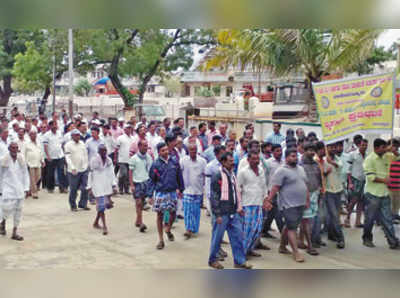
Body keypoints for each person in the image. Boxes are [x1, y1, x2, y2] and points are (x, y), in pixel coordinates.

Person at [208, 152, 252, 270]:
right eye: (230, 161)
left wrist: (239, 207)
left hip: (233, 212)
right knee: (217, 238)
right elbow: (214, 196)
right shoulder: (217, 175)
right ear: (223, 162)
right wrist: (217, 214)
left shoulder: (232, 175)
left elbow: (235, 192)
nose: (233, 163)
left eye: (233, 161)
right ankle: (213, 260)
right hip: (222, 213)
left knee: (238, 237)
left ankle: (239, 261)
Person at [264, 149, 309, 263]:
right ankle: (296, 252)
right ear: (287, 157)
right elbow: (275, 187)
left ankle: (282, 247)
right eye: (292, 156)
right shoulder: (281, 171)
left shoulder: (301, 169)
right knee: (292, 228)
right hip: (288, 204)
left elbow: (305, 185)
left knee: (289, 225)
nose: (295, 158)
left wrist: (307, 200)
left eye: (296, 156)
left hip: (301, 203)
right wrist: (269, 200)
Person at [362, 138, 400, 249]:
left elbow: (398, 157)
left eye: (385, 147)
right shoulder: (369, 159)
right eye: (383, 147)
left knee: (388, 219)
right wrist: (385, 180)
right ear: (376, 148)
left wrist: (393, 150)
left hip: (384, 193)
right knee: (370, 218)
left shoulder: (387, 156)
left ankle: (392, 241)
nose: (385, 149)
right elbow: (371, 177)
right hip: (372, 194)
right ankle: (367, 238)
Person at [148, 142, 184, 250]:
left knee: (173, 214)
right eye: (163, 150)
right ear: (159, 152)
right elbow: (151, 180)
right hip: (161, 192)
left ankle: (168, 229)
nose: (165, 152)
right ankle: (161, 240)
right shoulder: (155, 164)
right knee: (159, 216)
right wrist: (150, 195)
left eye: (166, 149)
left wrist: (181, 189)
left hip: (172, 192)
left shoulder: (174, 162)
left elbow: (179, 176)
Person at [237, 150, 269, 258]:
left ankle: (250, 249)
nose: (256, 161)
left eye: (258, 159)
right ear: (248, 160)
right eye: (254, 159)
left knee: (257, 229)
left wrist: (266, 199)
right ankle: (242, 253)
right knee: (247, 231)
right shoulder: (243, 172)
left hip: (258, 203)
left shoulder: (260, 170)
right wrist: (239, 206)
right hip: (247, 204)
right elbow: (238, 189)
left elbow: (264, 186)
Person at [0, 142, 30, 241]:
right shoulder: (4, 160)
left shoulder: (21, 159)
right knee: (6, 209)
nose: (14, 150)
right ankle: (2, 223)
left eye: (16, 148)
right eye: (12, 148)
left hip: (20, 188)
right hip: (8, 188)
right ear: (9, 149)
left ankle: (14, 232)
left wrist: (27, 188)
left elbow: (25, 173)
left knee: (18, 211)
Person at [88, 144, 117, 235]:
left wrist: (114, 185)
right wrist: (89, 187)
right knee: (101, 205)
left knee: (104, 206)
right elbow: (90, 173)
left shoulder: (109, 160)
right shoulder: (94, 160)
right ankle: (104, 226)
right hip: (96, 184)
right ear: (98, 151)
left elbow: (112, 173)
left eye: (105, 150)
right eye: (102, 151)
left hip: (106, 184)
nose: (104, 152)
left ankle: (96, 222)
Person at [180, 143, 207, 240]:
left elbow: (205, 175)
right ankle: (188, 229)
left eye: (195, 150)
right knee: (187, 210)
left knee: (196, 211)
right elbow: (179, 173)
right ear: (188, 150)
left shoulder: (202, 161)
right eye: (191, 150)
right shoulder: (183, 160)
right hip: (187, 190)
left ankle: (194, 228)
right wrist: (179, 188)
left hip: (198, 190)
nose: (193, 152)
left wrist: (204, 187)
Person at [298, 143, 321, 256]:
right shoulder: (300, 165)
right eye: (310, 150)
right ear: (305, 151)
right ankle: (310, 246)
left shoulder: (316, 164)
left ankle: (301, 241)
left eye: (313, 150)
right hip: (303, 195)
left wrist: (320, 190)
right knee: (307, 221)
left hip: (314, 193)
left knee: (306, 220)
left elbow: (319, 178)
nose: (312, 152)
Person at [324, 143, 345, 249]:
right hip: (328, 191)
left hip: (338, 190)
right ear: (326, 148)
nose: (333, 149)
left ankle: (332, 235)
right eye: (330, 147)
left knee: (334, 215)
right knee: (333, 215)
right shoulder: (321, 159)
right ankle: (340, 238)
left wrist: (331, 162)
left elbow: (338, 167)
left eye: (334, 147)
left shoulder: (338, 159)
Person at [129, 139, 153, 233]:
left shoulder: (148, 157)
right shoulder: (134, 158)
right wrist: (131, 185)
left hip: (146, 182)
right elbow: (130, 172)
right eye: (144, 146)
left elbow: (151, 170)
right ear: (139, 147)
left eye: (147, 146)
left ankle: (138, 220)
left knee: (141, 203)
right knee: (138, 202)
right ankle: (141, 223)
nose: (146, 147)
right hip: (137, 182)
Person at [262, 144, 284, 238]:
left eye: (280, 150)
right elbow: (264, 177)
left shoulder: (284, 163)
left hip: (282, 192)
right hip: (271, 191)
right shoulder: (268, 163)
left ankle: (264, 230)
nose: (280, 152)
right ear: (272, 152)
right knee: (277, 213)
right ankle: (283, 233)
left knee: (271, 213)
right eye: (277, 151)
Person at [64, 129, 90, 212]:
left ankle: (83, 204)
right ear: (72, 136)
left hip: (83, 169)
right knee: (74, 189)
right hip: (73, 171)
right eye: (75, 135)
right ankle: (73, 205)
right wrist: (72, 168)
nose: (77, 136)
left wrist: (86, 165)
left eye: (78, 135)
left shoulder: (82, 143)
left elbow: (85, 155)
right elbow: (67, 157)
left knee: (85, 187)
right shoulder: (68, 145)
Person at [345, 138, 368, 228]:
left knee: (361, 202)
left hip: (364, 180)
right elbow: (348, 170)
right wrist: (350, 182)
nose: (364, 147)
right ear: (358, 145)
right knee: (353, 201)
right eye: (362, 145)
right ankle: (347, 218)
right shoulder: (352, 154)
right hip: (355, 180)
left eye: (366, 145)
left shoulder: (367, 155)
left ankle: (358, 221)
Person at [42, 120, 68, 193]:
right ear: (50, 126)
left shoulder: (60, 133)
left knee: (62, 172)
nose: (55, 126)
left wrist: (64, 154)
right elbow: (45, 146)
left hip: (60, 156)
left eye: (56, 125)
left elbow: (62, 144)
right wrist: (47, 156)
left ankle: (63, 187)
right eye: (53, 125)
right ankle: (50, 188)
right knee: (50, 173)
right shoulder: (46, 135)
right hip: (51, 157)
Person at [115, 124, 135, 194]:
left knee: (128, 176)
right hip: (122, 159)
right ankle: (120, 188)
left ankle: (126, 189)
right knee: (123, 174)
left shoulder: (133, 138)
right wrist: (115, 158)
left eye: (130, 128)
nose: (129, 129)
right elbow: (116, 149)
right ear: (124, 129)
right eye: (127, 128)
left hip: (130, 159)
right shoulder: (120, 138)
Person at [25, 130, 44, 199]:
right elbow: (24, 153)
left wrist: (42, 160)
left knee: (38, 177)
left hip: (38, 163)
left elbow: (41, 152)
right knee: (32, 178)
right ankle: (34, 193)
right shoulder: (27, 143)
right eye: (32, 134)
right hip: (30, 163)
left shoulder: (38, 143)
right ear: (30, 136)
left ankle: (30, 189)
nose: (34, 136)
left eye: (35, 134)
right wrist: (25, 163)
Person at [385, 138, 400, 223]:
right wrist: (388, 149)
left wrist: (395, 151)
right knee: (388, 203)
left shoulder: (397, 155)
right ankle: (387, 219)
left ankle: (394, 216)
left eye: (396, 146)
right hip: (388, 185)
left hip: (398, 184)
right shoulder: (386, 155)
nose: (395, 147)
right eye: (393, 145)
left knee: (396, 203)